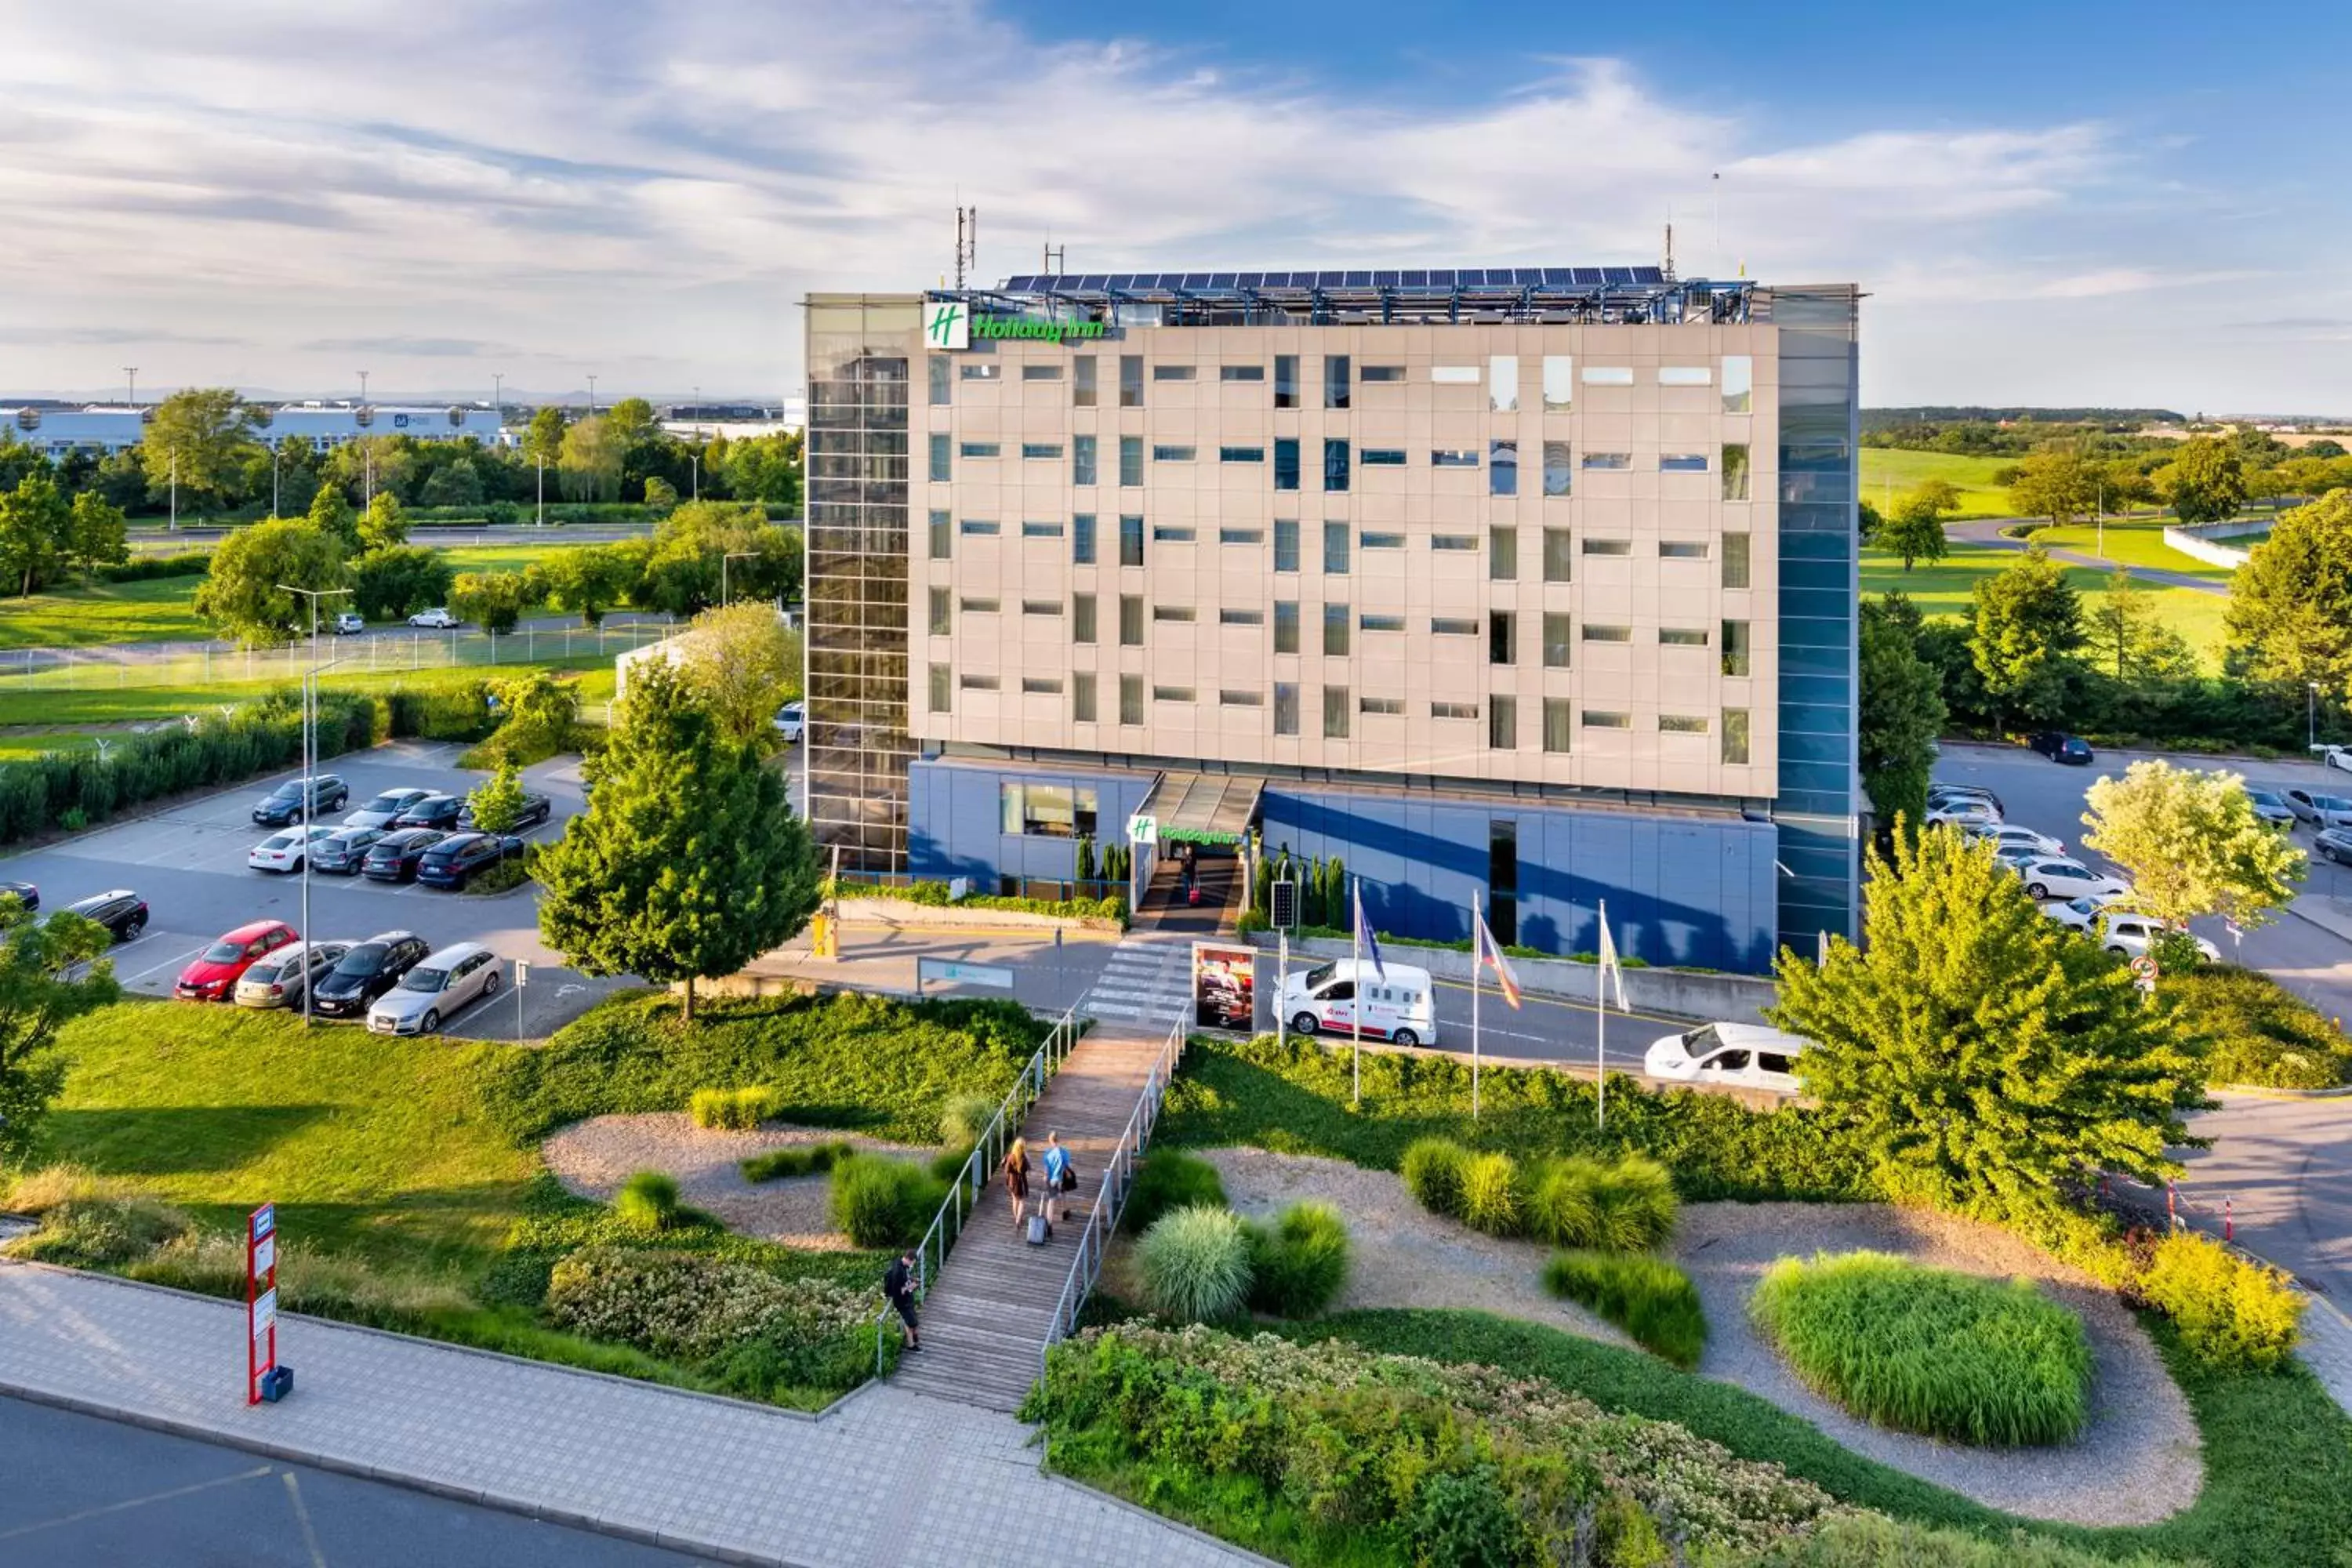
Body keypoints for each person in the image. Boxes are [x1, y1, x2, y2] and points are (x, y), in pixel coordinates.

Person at [881, 1247, 920, 1352]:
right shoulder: (898, 1271)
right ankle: (912, 1344)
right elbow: (899, 1291)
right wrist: (911, 1286)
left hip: (907, 1299)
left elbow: (903, 1282)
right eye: (913, 1263)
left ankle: (912, 1342)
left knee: (913, 1321)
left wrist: (911, 1281)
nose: (912, 1265)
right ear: (908, 1259)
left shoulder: (901, 1265)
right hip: (902, 1302)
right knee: (912, 1322)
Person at [1038, 1131, 1073, 1225]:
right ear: (1059, 1139)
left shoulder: (1047, 1153)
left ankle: (1049, 1224)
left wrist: (1045, 1176)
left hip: (1051, 1179)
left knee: (1051, 1201)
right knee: (1063, 1194)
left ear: (1050, 1140)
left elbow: (1046, 1167)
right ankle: (1065, 1212)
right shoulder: (1065, 1152)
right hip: (1062, 1178)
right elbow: (1068, 1166)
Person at [1002, 1137, 1033, 1231]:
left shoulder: (1010, 1157)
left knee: (1015, 1200)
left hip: (1012, 1182)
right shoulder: (1023, 1159)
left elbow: (1006, 1169)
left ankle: (1016, 1217)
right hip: (1021, 1182)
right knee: (1022, 1201)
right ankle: (1018, 1220)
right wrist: (1027, 1158)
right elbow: (1028, 1169)